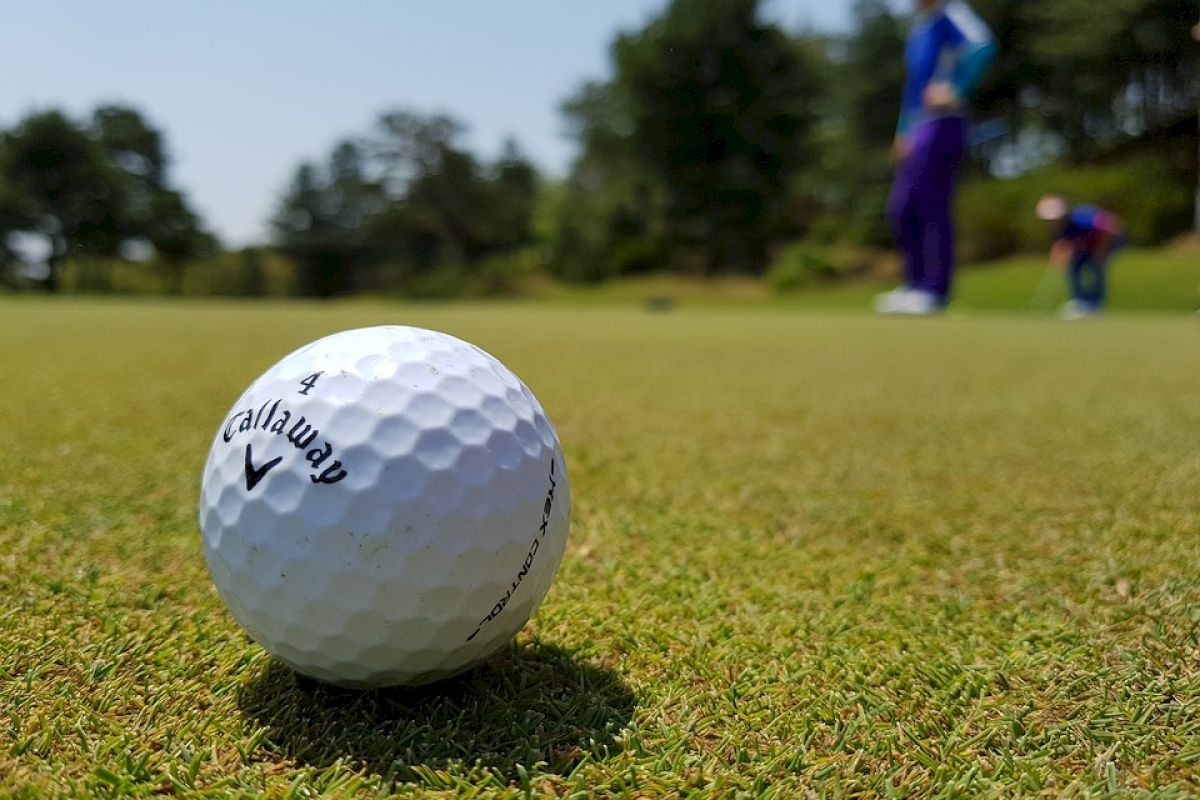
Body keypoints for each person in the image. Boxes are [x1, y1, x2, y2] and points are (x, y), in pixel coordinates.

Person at [875, 0, 997, 316]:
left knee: (932, 204)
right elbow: (913, 88)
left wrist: (955, 88)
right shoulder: (920, 28)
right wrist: (902, 130)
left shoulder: (951, 12)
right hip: (917, 127)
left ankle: (934, 291)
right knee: (902, 208)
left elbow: (982, 46)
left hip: (944, 121)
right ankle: (913, 285)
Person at [1035, 195, 1125, 320]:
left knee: (1097, 267)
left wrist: (1101, 252)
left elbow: (1109, 229)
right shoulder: (1057, 227)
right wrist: (1059, 253)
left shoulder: (1081, 217)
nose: (1051, 221)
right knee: (1074, 267)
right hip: (1087, 245)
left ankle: (1096, 305)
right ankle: (1080, 303)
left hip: (1107, 241)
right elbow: (1065, 242)